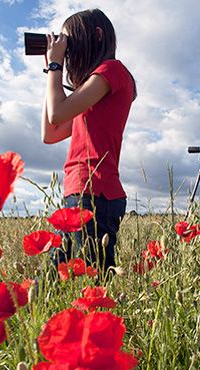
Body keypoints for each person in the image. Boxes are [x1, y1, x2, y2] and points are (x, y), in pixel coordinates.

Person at [40, 9, 136, 274]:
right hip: (81, 191)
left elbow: (57, 112)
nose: (66, 49)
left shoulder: (112, 70)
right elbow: (51, 133)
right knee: (51, 280)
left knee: (93, 286)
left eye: (70, 42)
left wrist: (56, 67)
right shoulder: (90, 94)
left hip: (95, 192)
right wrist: (51, 73)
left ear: (96, 36)